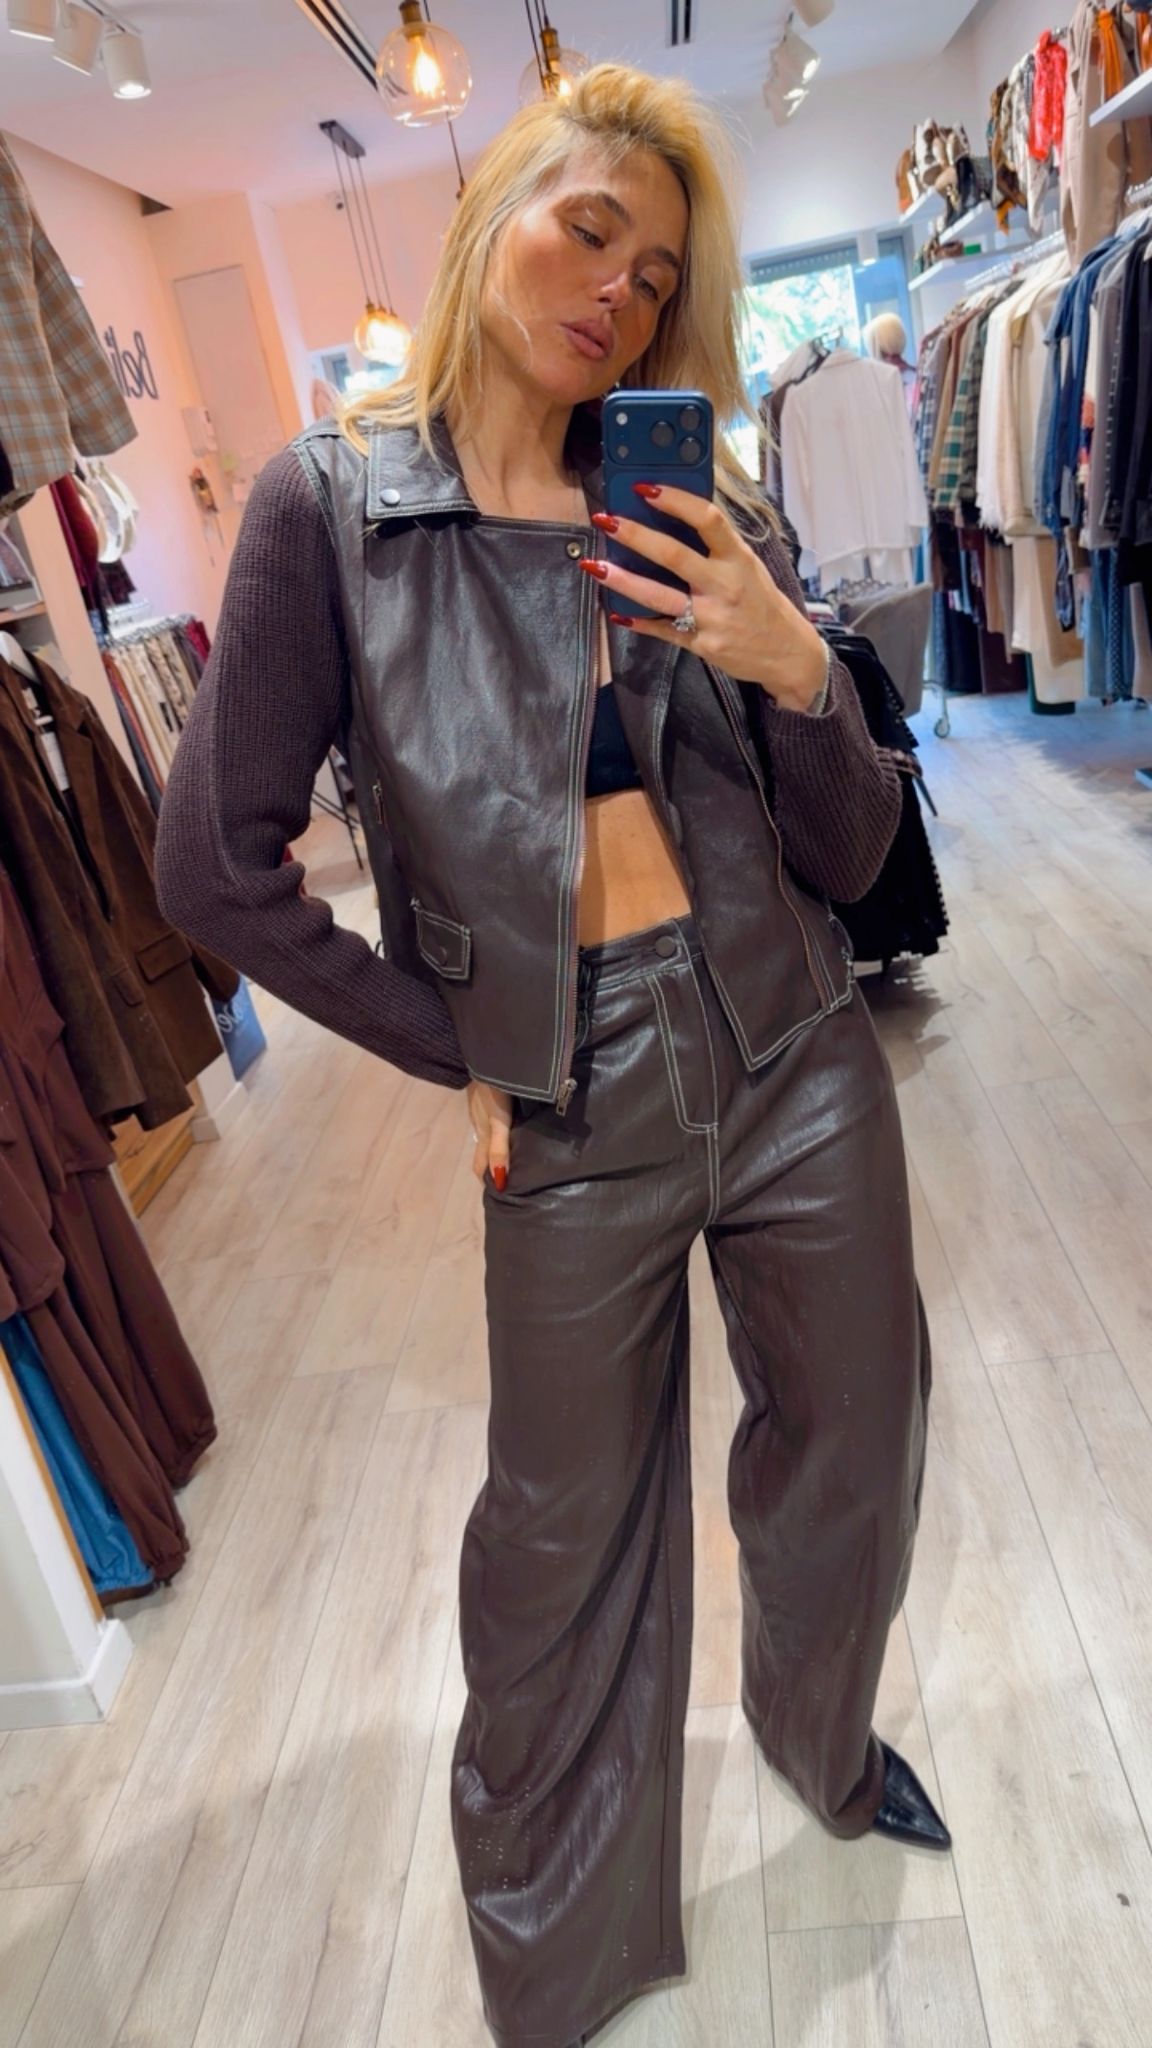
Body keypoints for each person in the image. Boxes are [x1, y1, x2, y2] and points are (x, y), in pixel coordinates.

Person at [155, 63, 945, 2048]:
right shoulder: (329, 509)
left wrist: (793, 661)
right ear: (490, 209)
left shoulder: (695, 499)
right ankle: (560, 1950)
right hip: (571, 1098)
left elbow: (857, 855)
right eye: (589, 227)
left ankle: (827, 1746)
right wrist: (462, 1044)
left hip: (795, 1050)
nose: (615, 288)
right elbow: (211, 870)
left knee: (857, 1448)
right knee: (556, 1543)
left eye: (655, 271)